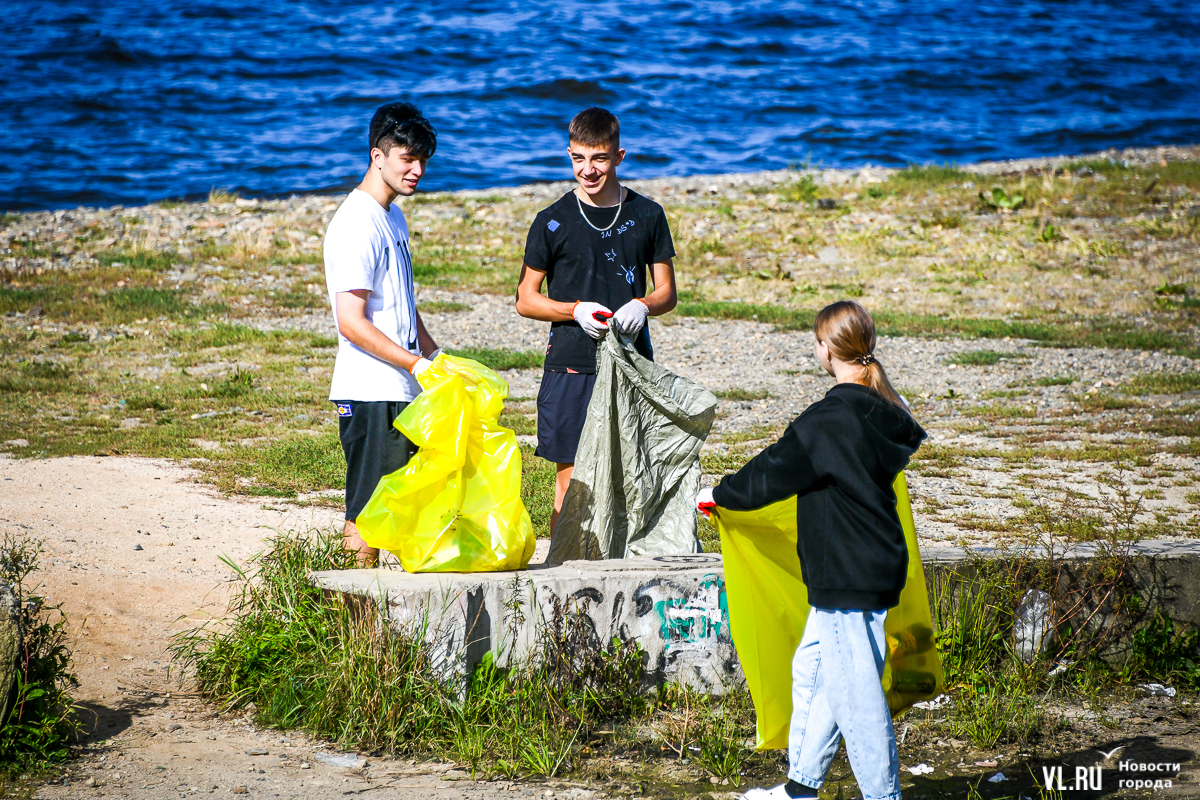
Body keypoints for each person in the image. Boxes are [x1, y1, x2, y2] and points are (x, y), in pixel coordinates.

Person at [697, 301, 926, 800]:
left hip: (847, 574)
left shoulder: (831, 419)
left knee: (857, 698)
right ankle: (800, 789)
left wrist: (721, 494)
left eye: (816, 341)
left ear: (826, 349)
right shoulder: (882, 407)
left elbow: (774, 470)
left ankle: (883, 797)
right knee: (815, 673)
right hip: (867, 563)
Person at [515, 107, 678, 532]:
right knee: (572, 480)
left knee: (632, 473)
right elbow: (526, 300)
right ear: (569, 155)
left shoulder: (648, 215)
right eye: (578, 159)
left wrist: (642, 305)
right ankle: (564, 574)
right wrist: (573, 310)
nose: (588, 170)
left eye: (599, 159)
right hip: (570, 363)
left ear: (619, 156)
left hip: (630, 361)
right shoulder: (551, 221)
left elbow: (667, 293)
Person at [323, 102, 441, 565]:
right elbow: (350, 321)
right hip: (371, 389)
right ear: (377, 156)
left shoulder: (392, 215)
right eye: (406, 159)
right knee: (366, 511)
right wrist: (413, 362)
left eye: (423, 160)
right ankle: (354, 622)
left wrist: (435, 355)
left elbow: (402, 306)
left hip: (400, 382)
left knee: (397, 504)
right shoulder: (356, 222)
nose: (417, 170)